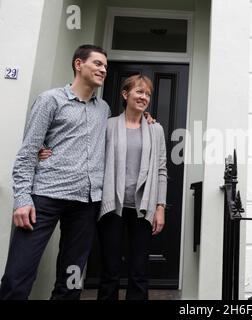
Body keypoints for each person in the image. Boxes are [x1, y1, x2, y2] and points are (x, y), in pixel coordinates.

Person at [0, 45, 110, 300]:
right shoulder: (50, 100)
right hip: (45, 198)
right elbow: (28, 151)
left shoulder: (103, 109)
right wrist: (23, 198)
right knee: (19, 274)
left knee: (71, 279)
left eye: (105, 66)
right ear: (78, 64)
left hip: (86, 202)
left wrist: (145, 118)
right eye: (97, 64)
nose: (103, 69)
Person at [96, 74, 167, 300]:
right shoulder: (107, 126)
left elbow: (161, 170)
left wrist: (160, 207)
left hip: (142, 208)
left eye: (147, 93)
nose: (144, 97)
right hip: (112, 206)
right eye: (139, 91)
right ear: (125, 95)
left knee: (139, 272)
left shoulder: (156, 130)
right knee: (110, 270)